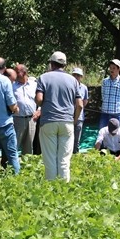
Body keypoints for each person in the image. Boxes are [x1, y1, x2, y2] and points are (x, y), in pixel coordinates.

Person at [35, 51, 83, 181]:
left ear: (51, 63)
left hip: (48, 121)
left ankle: (51, 189)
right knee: (64, 160)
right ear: (64, 65)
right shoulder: (73, 80)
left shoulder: (43, 77)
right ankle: (64, 190)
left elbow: (39, 99)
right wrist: (74, 120)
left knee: (50, 158)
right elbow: (79, 105)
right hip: (67, 122)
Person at [12, 64, 39, 155]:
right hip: (17, 119)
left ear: (24, 73)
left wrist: (39, 110)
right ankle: (13, 167)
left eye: (17, 72)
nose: (14, 74)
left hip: (32, 119)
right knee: (14, 145)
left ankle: (26, 167)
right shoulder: (12, 86)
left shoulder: (34, 85)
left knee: (28, 147)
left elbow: (42, 99)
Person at [100, 59, 120, 129]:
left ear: (119, 69)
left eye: (114, 68)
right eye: (110, 68)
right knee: (102, 133)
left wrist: (119, 107)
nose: (111, 70)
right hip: (105, 112)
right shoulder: (105, 81)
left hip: (117, 114)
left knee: (116, 135)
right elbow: (103, 95)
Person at [72, 67, 89, 154]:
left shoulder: (84, 88)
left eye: (78, 75)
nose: (76, 77)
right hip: (68, 116)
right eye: (74, 75)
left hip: (79, 117)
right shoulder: (69, 86)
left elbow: (85, 100)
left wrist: (80, 107)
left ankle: (75, 156)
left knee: (76, 139)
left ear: (81, 77)